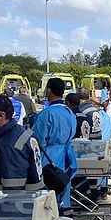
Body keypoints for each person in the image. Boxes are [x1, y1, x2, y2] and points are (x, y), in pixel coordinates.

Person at [32, 78, 77, 210]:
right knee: (63, 187)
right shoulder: (70, 113)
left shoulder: (47, 113)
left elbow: (37, 140)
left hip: (49, 157)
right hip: (67, 157)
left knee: (49, 197)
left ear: (49, 90)